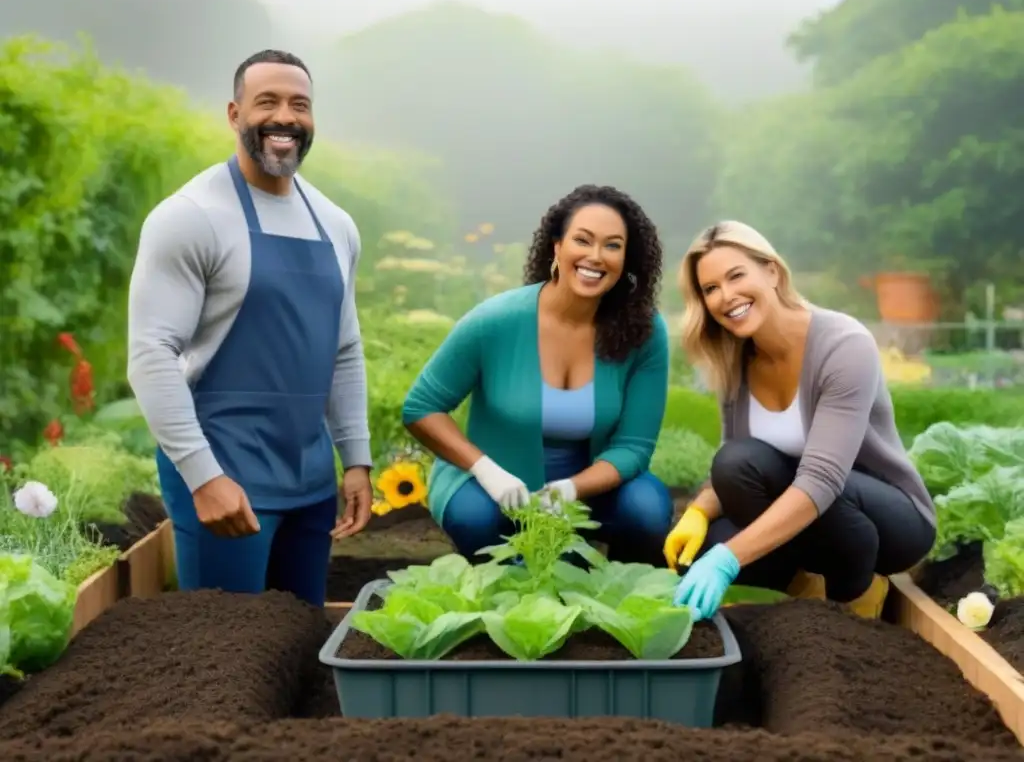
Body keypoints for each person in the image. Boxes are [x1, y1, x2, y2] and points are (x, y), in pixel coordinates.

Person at [126, 50, 373, 608]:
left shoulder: (336, 224)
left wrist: (355, 459)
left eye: (299, 104)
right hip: (224, 472)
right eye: (267, 102)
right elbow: (150, 355)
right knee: (223, 651)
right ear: (235, 114)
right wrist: (202, 476)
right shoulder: (191, 216)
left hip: (310, 477)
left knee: (298, 643)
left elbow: (344, 348)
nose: (285, 116)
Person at [664, 220, 936, 621]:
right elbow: (736, 465)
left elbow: (822, 478)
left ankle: (858, 592)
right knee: (728, 479)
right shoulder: (735, 360)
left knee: (732, 543)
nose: (726, 296)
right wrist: (699, 513)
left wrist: (729, 558)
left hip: (888, 521)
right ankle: (806, 584)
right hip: (818, 515)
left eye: (736, 276)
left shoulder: (843, 345)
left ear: (771, 271)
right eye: (711, 289)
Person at [402, 185, 674, 565]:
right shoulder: (495, 320)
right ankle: (496, 591)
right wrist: (485, 470)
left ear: (628, 260)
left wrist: (571, 489)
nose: (596, 256)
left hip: (587, 486)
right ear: (557, 247)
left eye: (612, 246)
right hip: (495, 482)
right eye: (583, 240)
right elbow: (421, 408)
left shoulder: (643, 331)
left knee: (645, 510)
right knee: (474, 518)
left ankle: (619, 592)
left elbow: (634, 447)